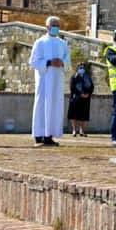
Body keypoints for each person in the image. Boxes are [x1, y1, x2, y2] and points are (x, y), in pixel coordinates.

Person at [29, 16, 70, 146]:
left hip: (57, 81)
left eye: (58, 25)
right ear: (47, 27)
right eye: (54, 25)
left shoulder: (62, 43)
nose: (56, 27)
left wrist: (62, 62)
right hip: (44, 81)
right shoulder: (40, 42)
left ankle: (49, 135)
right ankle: (38, 135)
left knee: (54, 106)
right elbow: (33, 61)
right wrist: (49, 62)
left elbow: (68, 60)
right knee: (42, 105)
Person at [67, 63, 94, 136]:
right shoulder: (74, 77)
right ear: (77, 68)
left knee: (84, 115)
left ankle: (82, 130)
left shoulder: (88, 77)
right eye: (80, 68)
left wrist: (88, 94)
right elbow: (72, 87)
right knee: (73, 115)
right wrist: (80, 94)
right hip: (75, 98)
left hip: (86, 99)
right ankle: (74, 130)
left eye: (83, 68)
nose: (81, 69)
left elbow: (91, 87)